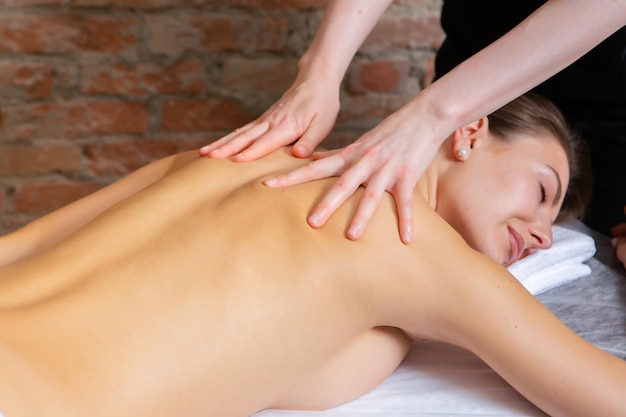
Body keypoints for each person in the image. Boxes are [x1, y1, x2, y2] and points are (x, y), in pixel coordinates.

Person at [0, 94, 621, 417]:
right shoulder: (414, 244)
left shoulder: (247, 153)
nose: (542, 234)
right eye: (542, 191)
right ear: (469, 130)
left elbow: (18, 247)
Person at [199, 0, 626, 245]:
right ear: (471, 134)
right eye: (541, 192)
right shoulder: (415, 260)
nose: (546, 242)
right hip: (471, 71)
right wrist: (320, 70)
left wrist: (435, 112)